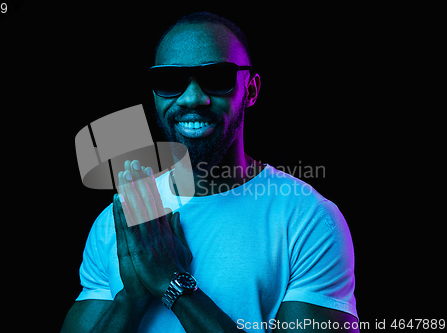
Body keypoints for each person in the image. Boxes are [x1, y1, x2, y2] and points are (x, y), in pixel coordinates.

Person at [61, 12, 359, 333]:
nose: (192, 98)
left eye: (218, 77)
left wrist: (172, 284)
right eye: (170, 82)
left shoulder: (308, 220)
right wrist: (130, 299)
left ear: (252, 89)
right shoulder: (120, 219)